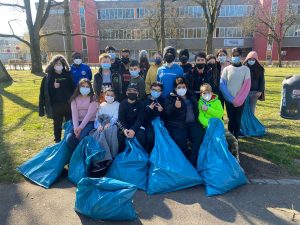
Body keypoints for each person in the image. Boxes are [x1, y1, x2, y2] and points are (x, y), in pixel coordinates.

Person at [164, 78, 205, 167]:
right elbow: (167, 113)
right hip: (178, 125)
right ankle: (184, 163)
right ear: (175, 88)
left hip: (193, 123)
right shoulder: (170, 98)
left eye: (183, 87)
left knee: (199, 138)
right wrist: (175, 107)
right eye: (179, 87)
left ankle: (192, 163)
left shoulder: (191, 95)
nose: (182, 89)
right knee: (180, 140)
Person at [39, 55, 75, 143]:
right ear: (53, 64)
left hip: (68, 105)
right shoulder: (48, 77)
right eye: (57, 63)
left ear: (64, 64)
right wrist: (53, 86)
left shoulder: (68, 75)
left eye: (60, 63)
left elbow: (74, 89)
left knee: (70, 124)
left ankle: (69, 140)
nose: (59, 65)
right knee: (57, 125)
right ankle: (57, 141)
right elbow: (43, 93)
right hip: (56, 106)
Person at [220, 47, 251, 139]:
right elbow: (222, 85)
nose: (235, 57)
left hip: (240, 100)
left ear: (241, 56)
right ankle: (230, 139)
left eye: (237, 55)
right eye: (234, 55)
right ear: (231, 56)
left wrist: (238, 100)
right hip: (229, 100)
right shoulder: (227, 69)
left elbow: (246, 86)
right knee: (230, 120)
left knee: (237, 120)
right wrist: (230, 99)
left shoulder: (246, 69)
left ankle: (236, 138)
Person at [91, 88, 120, 172]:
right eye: (107, 95)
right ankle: (100, 159)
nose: (109, 97)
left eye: (112, 95)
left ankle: (109, 157)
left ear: (114, 96)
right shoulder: (102, 105)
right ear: (104, 95)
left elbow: (116, 116)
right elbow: (97, 117)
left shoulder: (117, 104)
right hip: (102, 124)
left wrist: (110, 123)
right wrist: (99, 125)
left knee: (110, 133)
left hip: (113, 124)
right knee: (98, 134)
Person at [66, 78, 97, 150]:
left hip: (90, 122)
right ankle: (78, 153)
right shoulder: (74, 98)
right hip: (77, 122)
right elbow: (74, 114)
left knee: (82, 136)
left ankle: (81, 153)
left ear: (90, 88)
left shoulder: (93, 98)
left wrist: (80, 128)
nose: (85, 88)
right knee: (69, 139)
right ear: (79, 87)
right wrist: (76, 128)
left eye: (87, 87)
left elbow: (89, 114)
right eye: (83, 86)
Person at [117, 83, 146, 152]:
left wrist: (133, 130)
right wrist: (124, 129)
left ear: (138, 93)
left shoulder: (141, 104)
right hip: (125, 127)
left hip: (137, 126)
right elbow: (121, 119)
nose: (132, 92)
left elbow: (140, 119)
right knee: (120, 137)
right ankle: (121, 156)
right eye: (130, 91)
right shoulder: (122, 104)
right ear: (126, 93)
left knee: (141, 136)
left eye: (134, 91)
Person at [143, 82, 165, 153]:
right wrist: (148, 110)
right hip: (149, 124)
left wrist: (161, 111)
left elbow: (166, 117)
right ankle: (151, 155)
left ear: (161, 92)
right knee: (150, 138)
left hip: (161, 124)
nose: (156, 92)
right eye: (154, 90)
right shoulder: (144, 101)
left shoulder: (163, 101)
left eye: (158, 90)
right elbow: (142, 118)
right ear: (150, 90)